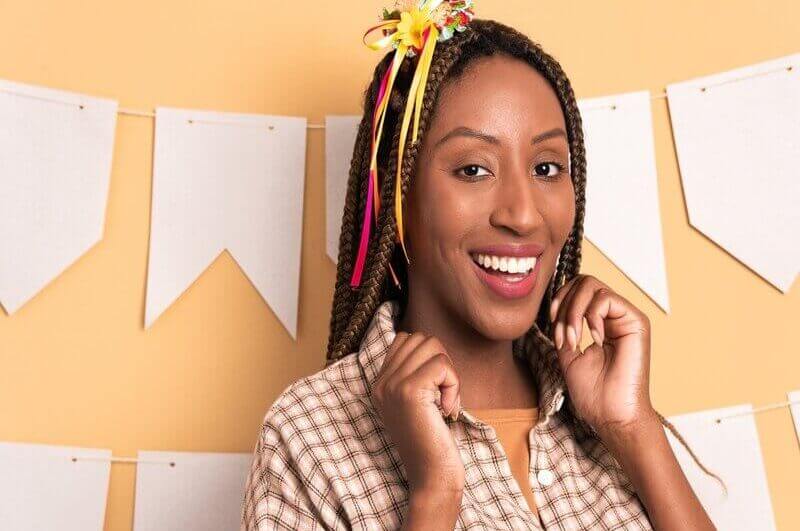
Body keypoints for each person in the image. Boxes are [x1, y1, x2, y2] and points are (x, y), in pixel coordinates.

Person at [242, 6, 724, 530]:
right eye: (473, 169)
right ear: (396, 196)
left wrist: (634, 426)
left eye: (546, 168)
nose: (521, 214)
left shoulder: (601, 410)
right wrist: (435, 491)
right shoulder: (309, 434)